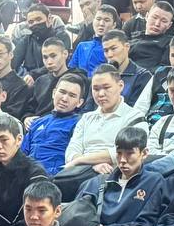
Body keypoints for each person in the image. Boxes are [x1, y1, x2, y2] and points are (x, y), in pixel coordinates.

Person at [55, 65, 146, 195]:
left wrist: (80, 160)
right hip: (80, 173)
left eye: (106, 87)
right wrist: (92, 166)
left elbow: (126, 152)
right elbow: (71, 152)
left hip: (113, 175)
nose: (101, 94)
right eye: (96, 89)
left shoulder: (134, 117)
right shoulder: (86, 118)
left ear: (121, 86)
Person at [21, 74, 88, 176]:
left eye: (72, 95)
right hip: (27, 174)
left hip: (56, 176)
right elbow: (22, 153)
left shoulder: (80, 123)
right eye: (62, 92)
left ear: (80, 102)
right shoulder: (37, 122)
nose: (64, 99)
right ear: (53, 93)